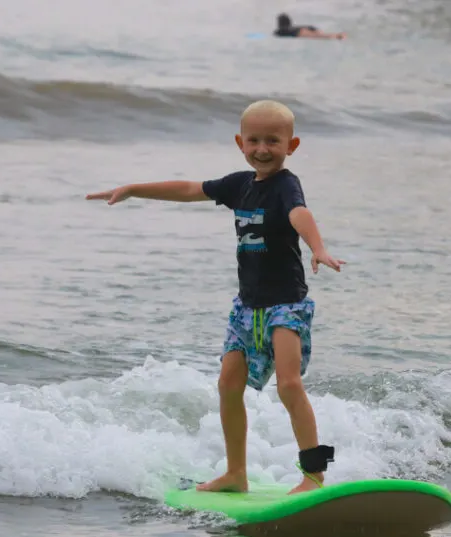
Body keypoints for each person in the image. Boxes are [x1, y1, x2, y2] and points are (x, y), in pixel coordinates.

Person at [85, 100, 345, 496]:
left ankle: (313, 476)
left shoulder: (286, 184)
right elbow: (190, 189)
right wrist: (135, 188)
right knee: (228, 384)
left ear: (291, 146)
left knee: (289, 384)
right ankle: (235, 473)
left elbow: (299, 214)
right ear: (240, 142)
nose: (262, 148)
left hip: (285, 304)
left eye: (273, 141)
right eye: (254, 140)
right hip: (246, 307)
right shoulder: (239, 184)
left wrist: (318, 248)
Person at [273, 13, 345, 40]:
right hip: (307, 28)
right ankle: (338, 35)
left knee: (322, 37)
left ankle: (338, 36)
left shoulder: (279, 31)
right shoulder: (291, 27)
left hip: (298, 32)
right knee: (323, 35)